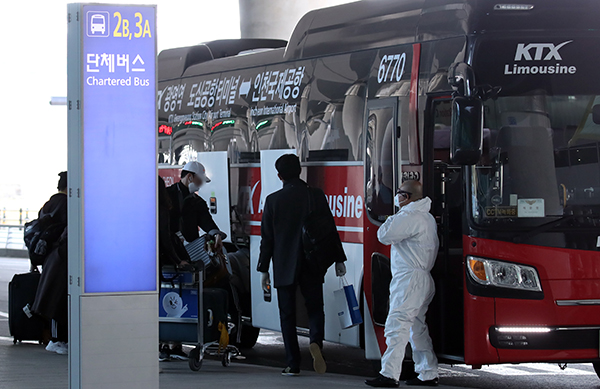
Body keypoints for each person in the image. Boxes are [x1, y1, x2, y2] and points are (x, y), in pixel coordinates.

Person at [257, 154, 347, 376]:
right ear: (300, 171)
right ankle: (315, 341)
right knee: (315, 308)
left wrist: (263, 269)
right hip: (312, 261)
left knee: (287, 315)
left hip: (285, 263)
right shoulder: (315, 195)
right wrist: (339, 259)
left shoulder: (272, 200)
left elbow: (267, 238)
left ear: (279, 176)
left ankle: (292, 363)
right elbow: (329, 228)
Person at [365, 180, 439, 387]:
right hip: (423, 278)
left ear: (406, 197)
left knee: (396, 326)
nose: (396, 197)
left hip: (409, 280)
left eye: (399, 194)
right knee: (417, 327)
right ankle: (428, 372)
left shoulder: (409, 216)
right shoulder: (427, 217)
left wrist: (392, 217)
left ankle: (389, 374)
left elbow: (384, 235)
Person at [164, 161, 227, 360]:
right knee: (169, 293)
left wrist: (216, 233)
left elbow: (207, 222)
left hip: (186, 255)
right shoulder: (167, 195)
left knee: (182, 294)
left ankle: (175, 342)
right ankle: (164, 342)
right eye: (199, 181)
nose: (200, 186)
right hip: (168, 253)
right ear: (190, 177)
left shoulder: (197, 202)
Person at [32, 171, 68, 355]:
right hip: (61, 256)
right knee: (59, 298)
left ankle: (55, 338)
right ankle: (56, 340)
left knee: (54, 296)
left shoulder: (49, 203)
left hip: (49, 255)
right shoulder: (66, 203)